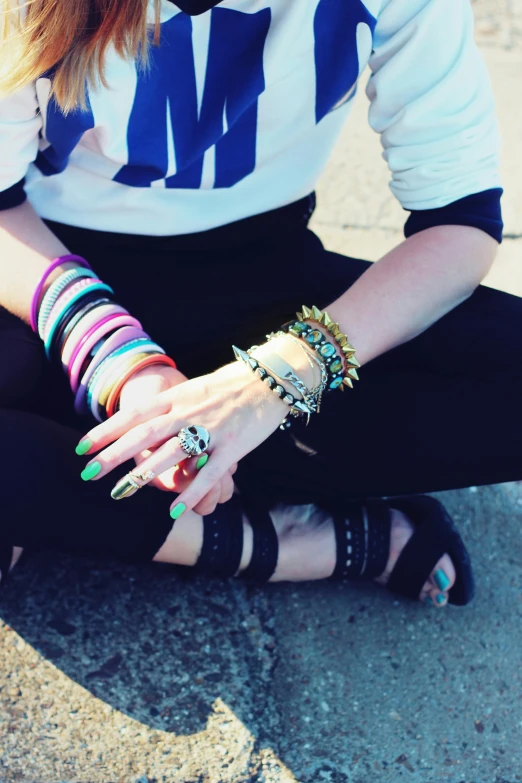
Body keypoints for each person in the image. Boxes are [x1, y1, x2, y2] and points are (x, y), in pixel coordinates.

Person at [0, 0, 512, 609]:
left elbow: (461, 225)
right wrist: (120, 361)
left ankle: (54, 487)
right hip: (42, 289)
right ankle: (276, 543)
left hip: (265, 292)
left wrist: (271, 384)